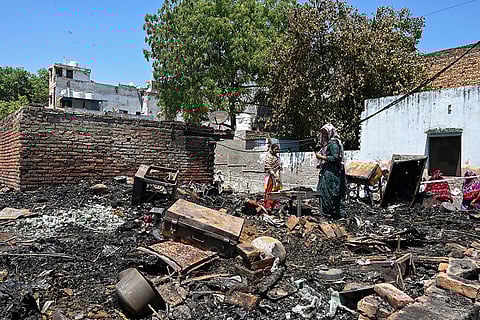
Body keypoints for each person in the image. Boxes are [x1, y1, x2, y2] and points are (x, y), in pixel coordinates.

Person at [313, 124, 347, 218]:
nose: (323, 135)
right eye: (322, 133)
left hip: (332, 173)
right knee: (324, 192)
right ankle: (328, 213)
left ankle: (332, 214)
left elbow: (335, 157)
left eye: (325, 133)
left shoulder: (333, 143)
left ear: (330, 132)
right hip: (328, 171)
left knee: (330, 193)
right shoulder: (328, 143)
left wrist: (321, 157)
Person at [264, 143, 282, 209]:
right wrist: (274, 175)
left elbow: (278, 165)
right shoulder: (268, 156)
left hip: (277, 175)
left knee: (277, 191)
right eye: (276, 149)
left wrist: (279, 167)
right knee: (270, 190)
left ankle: (275, 206)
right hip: (270, 177)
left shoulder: (277, 157)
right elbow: (268, 167)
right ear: (272, 149)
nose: (277, 151)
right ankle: (268, 206)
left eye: (278, 150)